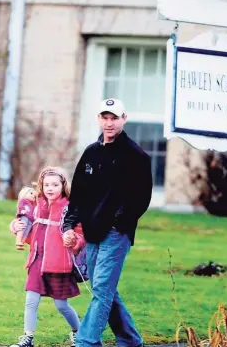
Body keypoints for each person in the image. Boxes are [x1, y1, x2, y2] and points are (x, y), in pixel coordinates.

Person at [61, 98, 153, 347]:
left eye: (114, 118)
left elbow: (141, 199)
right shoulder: (91, 153)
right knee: (103, 287)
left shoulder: (136, 156)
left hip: (116, 233)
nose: (109, 123)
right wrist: (69, 225)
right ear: (99, 119)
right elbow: (78, 194)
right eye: (105, 117)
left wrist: (118, 223)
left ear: (124, 118)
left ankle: (86, 341)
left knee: (101, 287)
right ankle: (130, 339)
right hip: (92, 232)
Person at [9, 167, 86, 347]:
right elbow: (27, 227)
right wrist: (16, 226)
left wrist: (73, 239)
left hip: (59, 265)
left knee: (61, 305)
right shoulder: (37, 205)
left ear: (63, 185)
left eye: (55, 185)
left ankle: (79, 332)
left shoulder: (70, 207)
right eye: (46, 185)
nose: (50, 189)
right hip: (37, 260)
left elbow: (80, 233)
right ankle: (28, 338)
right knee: (31, 301)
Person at [13, 185, 36, 250]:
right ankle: (18, 241)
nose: (33, 195)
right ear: (24, 193)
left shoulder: (32, 205)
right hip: (24, 216)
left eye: (34, 194)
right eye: (31, 193)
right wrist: (22, 209)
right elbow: (21, 205)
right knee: (22, 227)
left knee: (27, 230)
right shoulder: (24, 200)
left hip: (30, 220)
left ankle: (22, 242)